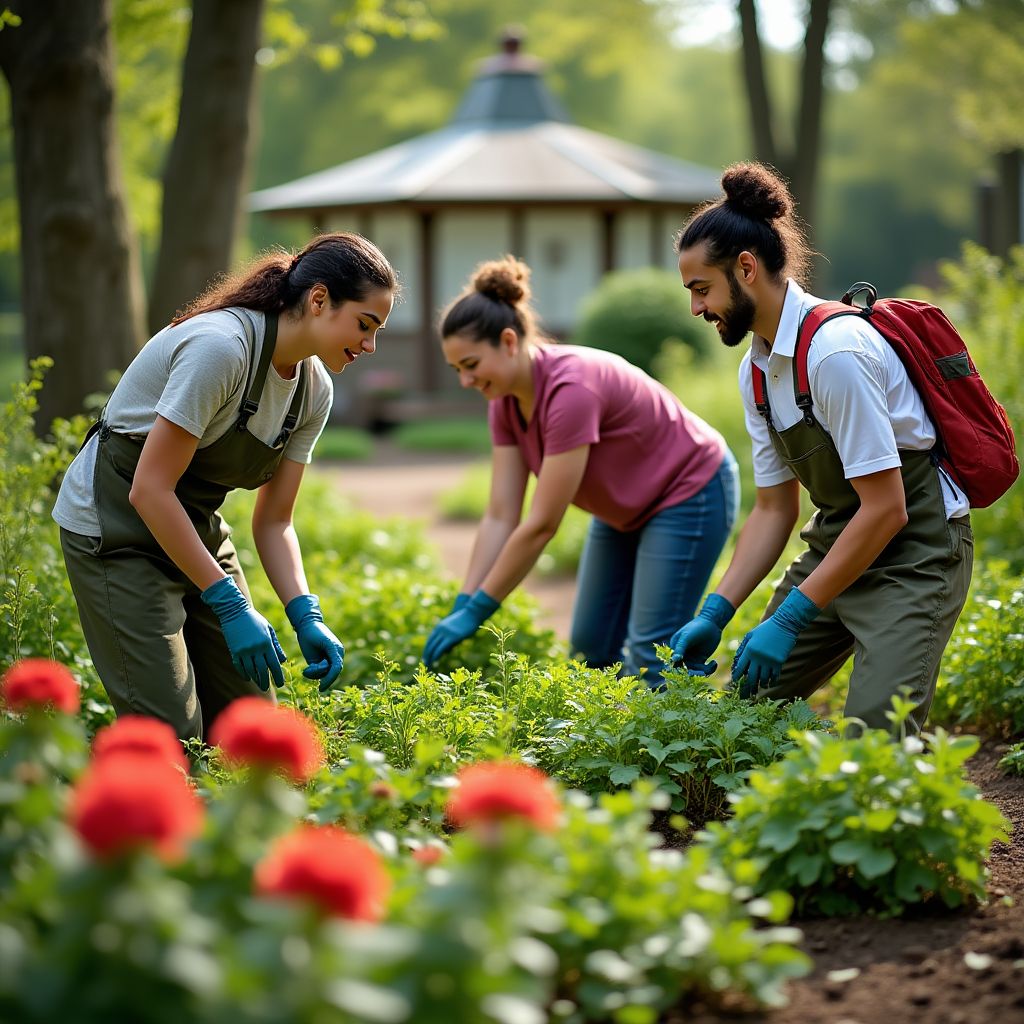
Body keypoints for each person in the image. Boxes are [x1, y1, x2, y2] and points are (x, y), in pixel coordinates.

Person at [53, 232, 396, 740]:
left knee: (250, 729)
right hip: (114, 532)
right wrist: (231, 603)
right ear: (319, 300)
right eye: (365, 325)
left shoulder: (312, 390)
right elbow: (148, 490)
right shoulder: (222, 349)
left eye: (378, 331)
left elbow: (276, 520)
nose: (370, 346)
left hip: (191, 528)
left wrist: (305, 613)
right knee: (170, 735)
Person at [670, 163, 973, 734]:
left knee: (875, 741)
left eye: (701, 289)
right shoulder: (756, 369)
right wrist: (717, 610)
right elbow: (773, 509)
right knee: (741, 718)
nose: (696, 309)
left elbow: (887, 509)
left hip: (917, 554)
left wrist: (791, 616)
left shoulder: (835, 352)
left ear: (746, 268)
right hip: (840, 545)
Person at [422, 256, 739, 688]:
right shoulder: (505, 403)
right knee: (590, 651)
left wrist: (481, 609)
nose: (465, 381)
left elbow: (542, 524)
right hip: (623, 508)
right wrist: (465, 599)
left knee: (651, 655)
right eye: (457, 370)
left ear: (509, 341)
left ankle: (667, 748)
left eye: (472, 365)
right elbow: (500, 514)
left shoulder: (571, 389)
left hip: (689, 490)